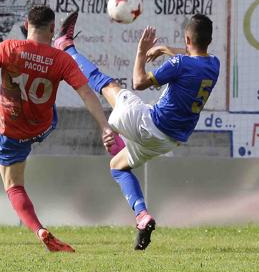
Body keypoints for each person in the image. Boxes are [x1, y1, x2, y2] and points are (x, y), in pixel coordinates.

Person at [53, 12, 219, 250]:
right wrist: (163, 49)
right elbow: (192, 56)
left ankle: (65, 47)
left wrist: (142, 52)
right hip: (169, 141)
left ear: (187, 39)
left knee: (106, 84)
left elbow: (138, 82)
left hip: (148, 123)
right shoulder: (214, 64)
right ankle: (142, 216)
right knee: (118, 166)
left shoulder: (180, 64)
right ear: (208, 41)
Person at [0, 5, 116, 252]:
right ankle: (62, 43)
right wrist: (104, 126)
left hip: (11, 131)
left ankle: (39, 229)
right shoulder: (61, 60)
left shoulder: (9, 48)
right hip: (43, 127)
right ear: (52, 28)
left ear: (26, 24)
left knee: (13, 186)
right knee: (46, 108)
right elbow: (86, 92)